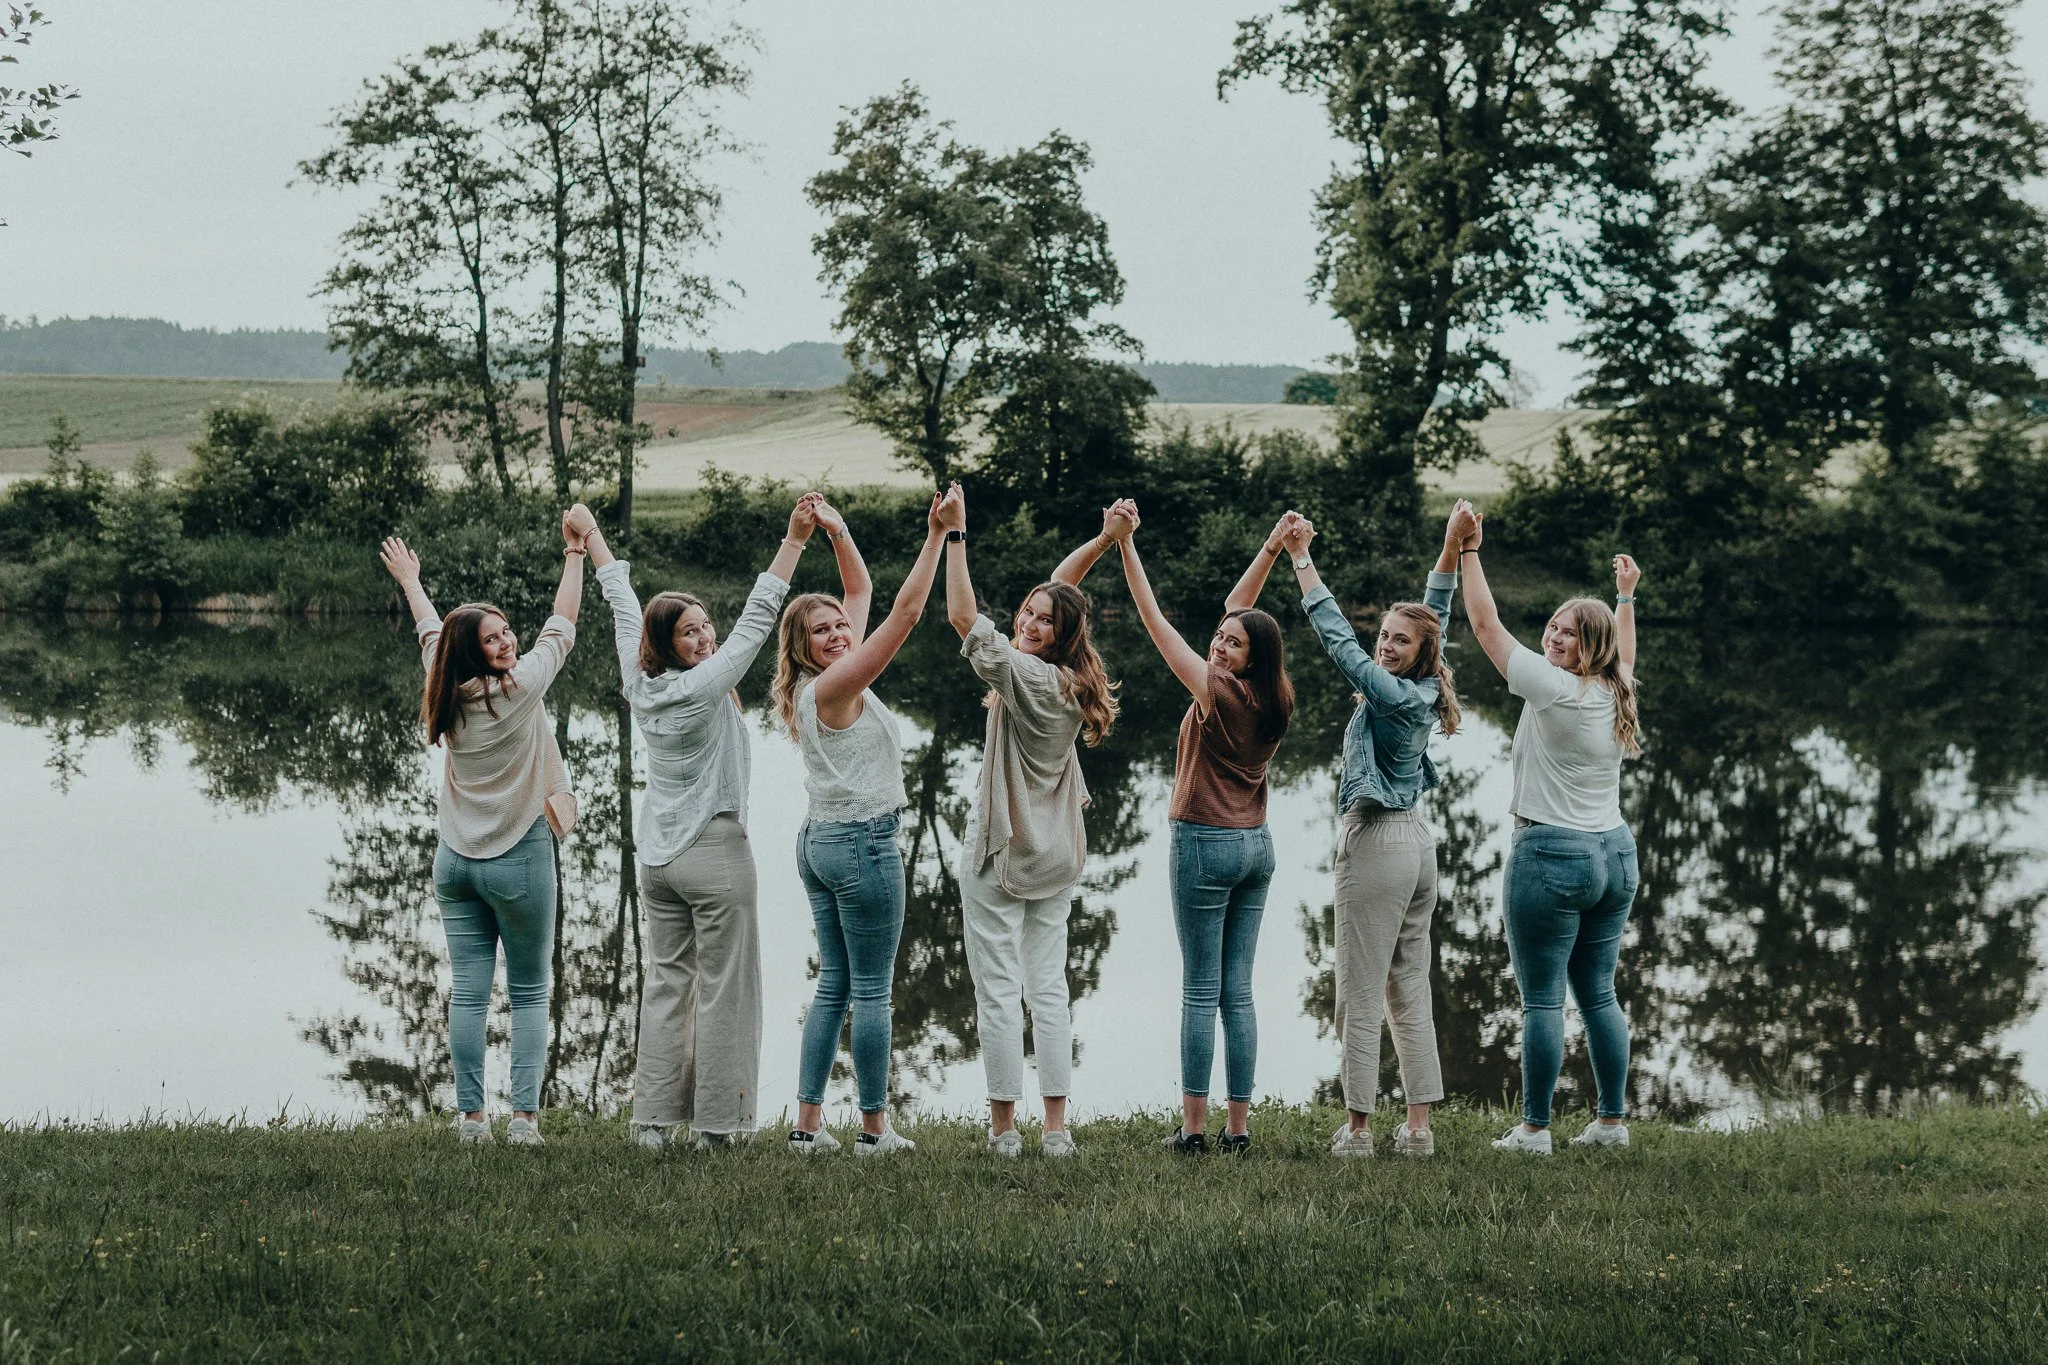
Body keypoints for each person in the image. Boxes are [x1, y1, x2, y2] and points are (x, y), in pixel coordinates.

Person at [570, 493, 823, 1152]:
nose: (707, 637)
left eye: (707, 626)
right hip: (713, 851)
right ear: (670, 645)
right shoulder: (703, 684)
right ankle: (719, 1124)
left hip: (657, 857)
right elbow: (763, 615)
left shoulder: (639, 679)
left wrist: (591, 534)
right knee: (726, 992)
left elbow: (623, 603)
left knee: (667, 983)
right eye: (691, 631)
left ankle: (650, 1122)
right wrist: (794, 539)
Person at [377, 515, 586, 1147]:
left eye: (506, 633)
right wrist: (575, 552)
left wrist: (412, 580)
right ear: (477, 653)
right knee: (528, 992)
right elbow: (564, 627)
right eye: (493, 639)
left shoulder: (444, 682)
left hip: (454, 862)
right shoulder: (515, 691)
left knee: (467, 994)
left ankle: (472, 1120)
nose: (509, 644)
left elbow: (430, 630)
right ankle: (522, 1119)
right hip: (517, 858)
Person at [1452, 501, 1644, 1155]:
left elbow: (1483, 623)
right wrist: (1625, 599)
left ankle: (1535, 1129)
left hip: (1552, 854)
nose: (1553, 638)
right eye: (1552, 626)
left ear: (1587, 650)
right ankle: (1610, 1122)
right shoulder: (1615, 689)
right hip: (1614, 855)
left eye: (1567, 634)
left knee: (1541, 999)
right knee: (1597, 991)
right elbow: (1626, 650)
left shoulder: (1553, 687)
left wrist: (1468, 549)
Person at [937, 484, 1121, 1159]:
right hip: (1057, 854)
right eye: (1026, 613)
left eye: (1042, 620)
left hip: (1000, 852)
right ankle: (1056, 1127)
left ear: (1059, 634)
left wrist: (957, 534)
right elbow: (1060, 588)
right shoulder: (1075, 682)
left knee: (997, 989)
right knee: (1049, 987)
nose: (1027, 622)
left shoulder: (1025, 677)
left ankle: (1004, 1129)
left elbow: (961, 613)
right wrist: (1101, 544)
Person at [1274, 508, 1463, 1159]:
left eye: (1398, 641)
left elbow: (1339, 645)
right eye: (1384, 634)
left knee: (1358, 992)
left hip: (1378, 843)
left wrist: (1301, 558)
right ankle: (1417, 1128)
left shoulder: (1393, 694)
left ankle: (1357, 1131)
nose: (1385, 644)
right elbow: (1433, 612)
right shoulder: (1425, 687)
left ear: (1419, 656)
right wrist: (1448, 548)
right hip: (1416, 846)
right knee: (1408, 987)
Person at [1112, 498, 1294, 1156]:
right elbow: (1239, 609)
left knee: (1199, 986)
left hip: (1205, 844)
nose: (1218, 644)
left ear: (1248, 658)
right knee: (1237, 988)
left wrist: (1126, 544)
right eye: (1218, 640)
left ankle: (1192, 1129)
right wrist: (1271, 548)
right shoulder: (1272, 695)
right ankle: (1237, 1129)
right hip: (1256, 846)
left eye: (1231, 643)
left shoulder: (1215, 690)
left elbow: (1155, 621)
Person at [773, 489, 952, 1157]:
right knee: (872, 989)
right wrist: (936, 535)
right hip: (861, 845)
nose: (840, 633)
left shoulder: (811, 684)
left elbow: (861, 587)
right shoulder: (834, 686)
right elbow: (904, 613)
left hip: (819, 841)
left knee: (837, 983)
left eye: (842, 628)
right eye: (823, 631)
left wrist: (836, 527)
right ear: (802, 644)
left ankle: (807, 1126)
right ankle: (874, 1130)